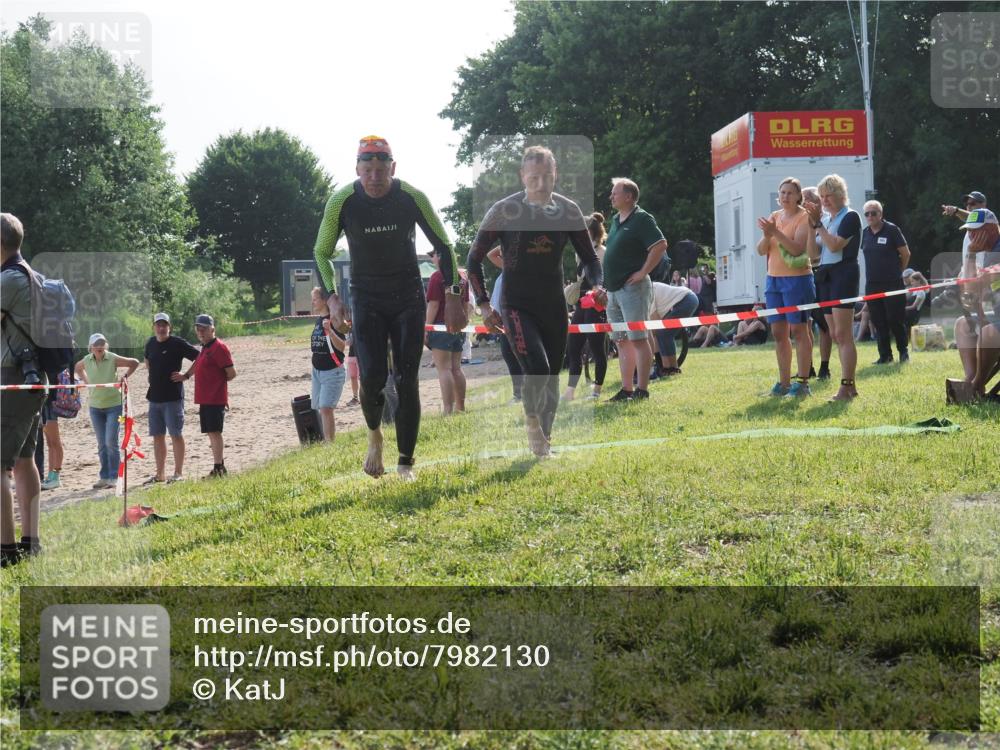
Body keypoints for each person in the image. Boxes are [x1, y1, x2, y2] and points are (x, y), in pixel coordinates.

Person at [313, 135, 463, 478]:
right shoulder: (342, 201)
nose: (375, 177)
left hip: (408, 296)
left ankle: (406, 462)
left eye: (382, 169)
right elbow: (321, 251)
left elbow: (444, 244)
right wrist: (332, 296)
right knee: (373, 378)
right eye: (368, 170)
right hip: (366, 298)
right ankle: (375, 436)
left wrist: (454, 296)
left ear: (393, 168)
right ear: (357, 169)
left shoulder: (411, 196)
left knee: (407, 378)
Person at [468, 145, 603, 457]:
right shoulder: (505, 210)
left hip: (553, 305)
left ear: (555, 175)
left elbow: (591, 259)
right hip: (517, 304)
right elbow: (473, 261)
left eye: (547, 177)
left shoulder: (568, 211)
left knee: (552, 378)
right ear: (522, 177)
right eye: (533, 178)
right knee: (538, 367)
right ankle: (531, 423)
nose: (541, 185)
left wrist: (597, 286)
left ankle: (545, 442)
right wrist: (486, 305)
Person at [1, 213, 46, 566]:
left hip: (11, 377)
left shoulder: (8, 279)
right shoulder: (34, 276)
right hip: (33, 376)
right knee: (24, 460)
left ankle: (5, 550)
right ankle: (30, 542)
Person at [596, 177, 668, 402]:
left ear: (629, 196)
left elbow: (660, 245)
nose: (611, 197)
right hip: (614, 291)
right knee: (621, 340)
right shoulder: (616, 220)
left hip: (633, 289)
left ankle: (642, 390)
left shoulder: (642, 219)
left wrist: (643, 271)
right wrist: (605, 288)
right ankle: (626, 389)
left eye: (615, 193)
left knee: (638, 338)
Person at [756, 177, 816, 397]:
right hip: (773, 280)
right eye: (782, 193)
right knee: (778, 332)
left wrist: (776, 232)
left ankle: (802, 382)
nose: (785, 197)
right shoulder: (774, 217)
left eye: (790, 193)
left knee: (799, 330)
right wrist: (766, 235)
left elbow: (797, 249)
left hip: (797, 280)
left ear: (799, 195)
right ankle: (783, 383)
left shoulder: (804, 217)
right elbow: (762, 250)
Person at [808, 174, 861, 401]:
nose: (825, 201)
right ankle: (849, 387)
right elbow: (813, 254)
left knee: (843, 334)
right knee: (834, 334)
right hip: (826, 275)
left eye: (829, 196)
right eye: (822, 197)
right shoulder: (827, 220)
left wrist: (819, 225)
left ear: (840, 195)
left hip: (844, 273)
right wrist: (812, 226)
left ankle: (846, 386)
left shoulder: (850, 216)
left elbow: (835, 245)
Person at [74, 333, 139, 489]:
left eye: (102, 344)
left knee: (111, 441)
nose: (100, 347)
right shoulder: (87, 360)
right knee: (102, 443)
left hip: (113, 405)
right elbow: (77, 367)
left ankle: (115, 476)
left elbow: (134, 363)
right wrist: (87, 382)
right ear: (91, 347)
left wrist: (124, 377)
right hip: (95, 407)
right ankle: (104, 476)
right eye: (97, 344)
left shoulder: (112, 357)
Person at [143, 312, 200, 484]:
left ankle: (178, 473)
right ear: (154, 327)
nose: (161, 328)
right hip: (154, 398)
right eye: (158, 325)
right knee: (157, 436)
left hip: (173, 397)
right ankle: (160, 474)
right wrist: (151, 374)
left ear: (169, 327)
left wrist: (187, 375)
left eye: (164, 325)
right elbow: (147, 359)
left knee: (176, 434)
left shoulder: (177, 343)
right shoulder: (150, 343)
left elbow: (200, 357)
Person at [943, 192, 991, 381]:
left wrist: (956, 211)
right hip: (971, 284)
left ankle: (978, 381)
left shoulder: (989, 228)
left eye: (974, 203)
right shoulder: (971, 230)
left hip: (987, 289)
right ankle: (970, 380)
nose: (970, 206)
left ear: (984, 204)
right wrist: (961, 276)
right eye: (967, 204)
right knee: (963, 324)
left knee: (985, 326)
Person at [180, 314, 235, 478]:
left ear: (212, 329)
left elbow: (231, 373)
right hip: (205, 398)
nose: (200, 331)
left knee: (215, 432)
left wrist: (219, 390)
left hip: (214, 398)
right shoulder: (205, 347)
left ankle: (219, 468)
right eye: (198, 329)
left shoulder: (219, 347)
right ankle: (218, 467)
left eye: (204, 328)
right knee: (211, 432)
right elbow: (198, 362)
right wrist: (187, 375)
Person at [564, 212, 609, 401]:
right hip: (582, 304)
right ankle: (570, 392)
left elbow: (604, 279)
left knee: (598, 349)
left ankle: (596, 391)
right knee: (573, 348)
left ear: (592, 232)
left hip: (597, 305)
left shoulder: (603, 252)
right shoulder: (578, 253)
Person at [860, 200, 911, 365]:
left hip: (892, 283)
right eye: (867, 213)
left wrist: (898, 272)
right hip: (873, 284)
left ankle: (903, 352)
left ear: (880, 214)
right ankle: (885, 355)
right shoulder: (865, 232)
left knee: (895, 319)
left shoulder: (891, 229)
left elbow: (906, 254)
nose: (870, 216)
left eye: (873, 213)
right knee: (877, 320)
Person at [425, 250, 471, 414]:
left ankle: (447, 410)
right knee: (456, 369)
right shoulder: (462, 277)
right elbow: (466, 305)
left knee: (444, 369)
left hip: (440, 326)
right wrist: (465, 326)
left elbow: (434, 305)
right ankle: (461, 408)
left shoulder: (437, 277)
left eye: (434, 255)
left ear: (440, 257)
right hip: (458, 327)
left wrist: (426, 328)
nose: (432, 258)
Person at [308, 288, 347, 441]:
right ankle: (326, 440)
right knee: (319, 407)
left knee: (326, 408)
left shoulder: (334, 319)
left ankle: (329, 444)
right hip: (317, 371)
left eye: (315, 299)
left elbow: (342, 346)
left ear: (324, 300)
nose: (313, 302)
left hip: (332, 371)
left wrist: (330, 330)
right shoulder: (319, 320)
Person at [803, 186, 832, 379]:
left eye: (804, 201)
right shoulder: (799, 222)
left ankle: (824, 366)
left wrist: (813, 225)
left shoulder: (827, 221)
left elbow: (814, 255)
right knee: (804, 324)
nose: (801, 206)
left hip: (822, 274)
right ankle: (808, 366)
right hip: (802, 275)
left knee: (823, 325)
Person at [647, 281, 700, 376]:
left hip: (687, 299)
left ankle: (671, 368)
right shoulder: (648, 289)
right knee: (661, 333)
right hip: (686, 298)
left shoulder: (648, 291)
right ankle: (666, 367)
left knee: (664, 333)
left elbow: (655, 323)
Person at [344, 332, 359, 406]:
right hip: (351, 355)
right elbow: (348, 342)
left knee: (362, 378)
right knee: (353, 377)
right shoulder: (348, 327)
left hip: (361, 355)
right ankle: (355, 398)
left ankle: (365, 396)